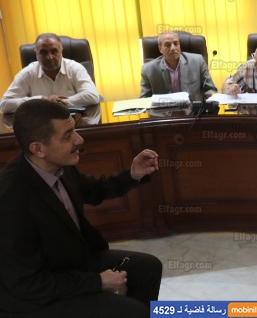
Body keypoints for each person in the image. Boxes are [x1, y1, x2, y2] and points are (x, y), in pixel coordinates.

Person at [0, 99, 162, 318]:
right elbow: (28, 284)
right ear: (38, 148)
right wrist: (97, 281)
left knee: (148, 268)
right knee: (134, 312)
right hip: (36, 293)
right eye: (67, 136)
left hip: (70, 262)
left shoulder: (59, 165)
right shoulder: (10, 198)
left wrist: (133, 174)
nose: (79, 139)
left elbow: (96, 190)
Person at [0, 33, 101, 114]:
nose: (49, 57)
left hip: (74, 122)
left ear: (61, 51)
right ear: (36, 54)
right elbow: (4, 104)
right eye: (43, 52)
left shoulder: (75, 68)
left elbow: (92, 96)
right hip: (41, 125)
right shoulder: (28, 73)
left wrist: (63, 102)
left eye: (54, 51)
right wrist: (41, 100)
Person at [140, 32, 217, 98]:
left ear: (179, 45)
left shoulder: (197, 61)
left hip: (193, 109)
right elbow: (144, 99)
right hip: (164, 110)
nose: (173, 48)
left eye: (176, 43)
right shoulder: (148, 69)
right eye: (167, 45)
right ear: (160, 48)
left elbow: (210, 89)